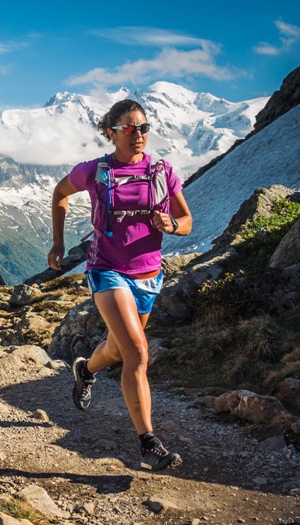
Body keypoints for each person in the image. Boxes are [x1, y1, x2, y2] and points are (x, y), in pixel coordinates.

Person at [47, 99, 192, 471]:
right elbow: (59, 194)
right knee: (139, 354)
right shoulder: (95, 171)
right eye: (129, 128)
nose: (138, 135)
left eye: (143, 127)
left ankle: (85, 371)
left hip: (149, 275)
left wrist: (171, 226)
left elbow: (187, 219)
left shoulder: (161, 171)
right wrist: (59, 242)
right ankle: (149, 444)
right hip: (107, 270)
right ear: (110, 132)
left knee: (116, 349)